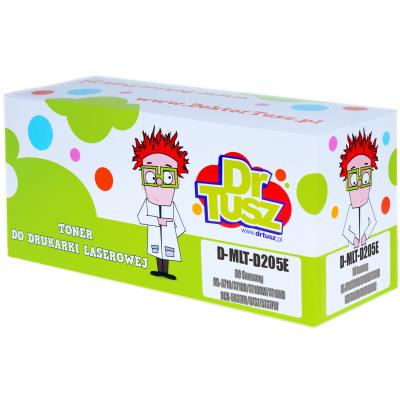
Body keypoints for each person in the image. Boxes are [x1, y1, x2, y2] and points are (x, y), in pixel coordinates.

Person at [132, 127, 189, 280]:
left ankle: (166, 272)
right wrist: (157, 221)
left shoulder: (171, 206)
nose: (158, 182)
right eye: (151, 175)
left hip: (169, 236)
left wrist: (172, 233)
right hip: (156, 235)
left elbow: (180, 226)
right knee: (157, 251)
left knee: (167, 252)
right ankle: (160, 271)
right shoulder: (148, 204)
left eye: (167, 177)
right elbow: (141, 218)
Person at [340, 130, 378, 249]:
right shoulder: (351, 209)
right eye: (354, 181)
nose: (360, 185)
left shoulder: (368, 205)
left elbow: (373, 221)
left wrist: (365, 236)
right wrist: (354, 240)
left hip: (366, 248)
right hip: (351, 251)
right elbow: (345, 230)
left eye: (365, 177)